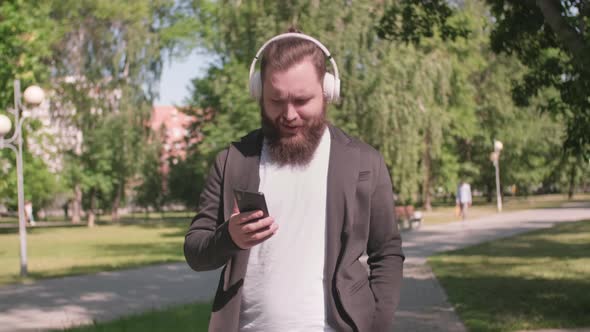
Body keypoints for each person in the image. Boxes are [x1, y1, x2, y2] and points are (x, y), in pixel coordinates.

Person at [184, 29, 404, 332]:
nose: (289, 114)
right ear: (258, 92)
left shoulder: (364, 163)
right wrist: (229, 238)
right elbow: (196, 251)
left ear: (328, 91)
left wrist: (377, 325)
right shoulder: (233, 160)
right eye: (276, 100)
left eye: (302, 100)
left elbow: (387, 252)